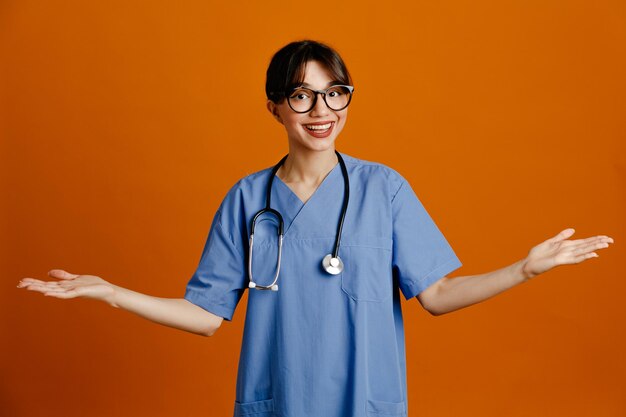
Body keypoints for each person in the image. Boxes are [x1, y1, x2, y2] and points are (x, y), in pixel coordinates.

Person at [18, 40, 614, 417]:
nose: (321, 111)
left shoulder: (385, 189)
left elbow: (436, 294)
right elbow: (205, 315)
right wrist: (112, 293)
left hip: (365, 403)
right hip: (280, 400)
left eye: (335, 94)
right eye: (302, 96)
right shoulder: (248, 200)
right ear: (274, 106)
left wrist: (524, 269)